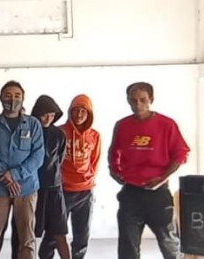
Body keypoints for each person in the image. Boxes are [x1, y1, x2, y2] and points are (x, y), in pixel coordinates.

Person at [109, 82, 186, 259]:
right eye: (133, 100)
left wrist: (162, 178)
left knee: (169, 243)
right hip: (131, 193)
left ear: (151, 99)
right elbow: (114, 151)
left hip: (158, 194)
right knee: (128, 245)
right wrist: (114, 170)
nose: (138, 105)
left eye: (143, 100)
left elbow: (180, 154)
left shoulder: (167, 124)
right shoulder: (122, 125)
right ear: (128, 100)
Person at [0, 81, 45, 259]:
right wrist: (7, 177)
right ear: (0, 98)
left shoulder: (33, 124)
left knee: (27, 239)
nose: (12, 99)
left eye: (17, 95)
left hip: (26, 188)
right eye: (8, 95)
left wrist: (15, 174)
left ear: (23, 98)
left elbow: (38, 155)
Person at [54, 94, 100, 259]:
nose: (79, 114)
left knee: (82, 234)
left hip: (85, 191)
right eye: (76, 110)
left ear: (89, 114)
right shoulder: (60, 132)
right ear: (70, 112)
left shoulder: (95, 136)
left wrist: (88, 179)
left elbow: (94, 161)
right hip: (63, 190)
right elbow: (53, 162)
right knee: (55, 232)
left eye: (83, 111)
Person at [30, 95, 71, 259]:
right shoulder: (30, 132)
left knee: (60, 232)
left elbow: (59, 159)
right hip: (34, 189)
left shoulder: (59, 134)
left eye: (52, 115)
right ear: (37, 113)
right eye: (44, 114)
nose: (48, 118)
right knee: (31, 233)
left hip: (54, 189)